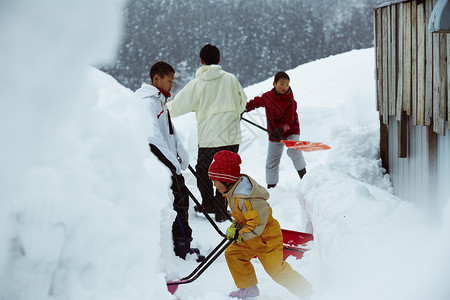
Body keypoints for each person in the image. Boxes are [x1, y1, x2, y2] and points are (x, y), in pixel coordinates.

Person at [208, 150, 312, 299]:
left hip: (266, 239)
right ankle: (248, 287)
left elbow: (257, 225)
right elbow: (243, 218)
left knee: (276, 271)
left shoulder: (248, 199)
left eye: (215, 181)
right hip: (251, 237)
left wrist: (240, 234)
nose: (214, 185)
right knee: (233, 254)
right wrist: (236, 226)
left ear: (226, 179)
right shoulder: (232, 192)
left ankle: (307, 291)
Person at [167, 44, 247, 222]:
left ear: (201, 61)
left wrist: (159, 109)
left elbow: (176, 107)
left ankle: (209, 204)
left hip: (209, 139)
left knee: (203, 171)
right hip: (231, 137)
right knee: (227, 172)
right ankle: (222, 208)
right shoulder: (231, 79)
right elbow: (243, 103)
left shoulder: (197, 84)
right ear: (219, 60)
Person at [135, 61, 204, 262]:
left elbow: (170, 134)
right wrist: (173, 163)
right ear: (156, 79)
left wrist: (181, 156)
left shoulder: (160, 101)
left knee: (182, 199)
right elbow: (153, 138)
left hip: (167, 161)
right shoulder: (146, 103)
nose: (171, 85)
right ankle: (180, 248)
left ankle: (184, 245)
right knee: (176, 203)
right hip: (158, 162)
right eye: (169, 81)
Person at [244, 71, 306, 189]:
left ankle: (305, 179)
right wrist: (245, 108)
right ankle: (272, 188)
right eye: (281, 84)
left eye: (287, 84)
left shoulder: (291, 102)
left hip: (291, 130)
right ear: (274, 83)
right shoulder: (268, 97)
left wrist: (280, 129)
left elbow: (288, 121)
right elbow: (256, 102)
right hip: (274, 133)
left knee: (294, 151)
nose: (284, 87)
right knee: (272, 161)